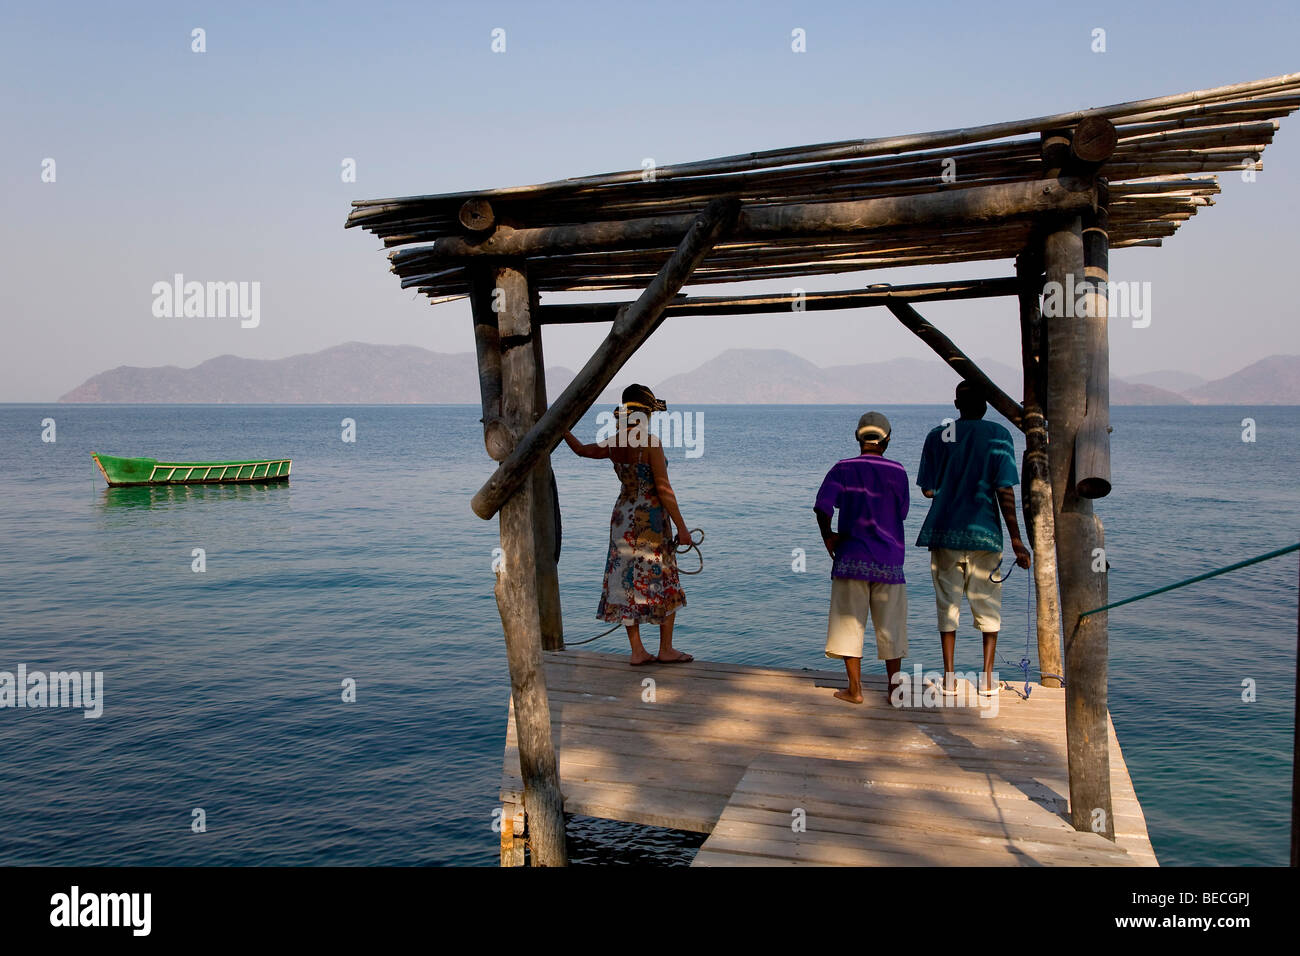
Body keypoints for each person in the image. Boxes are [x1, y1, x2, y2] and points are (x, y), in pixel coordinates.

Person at [562, 384, 693, 666]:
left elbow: (582, 451)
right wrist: (682, 527)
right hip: (651, 520)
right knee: (662, 578)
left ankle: (637, 651)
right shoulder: (649, 442)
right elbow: (663, 488)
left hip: (623, 516)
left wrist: (560, 430)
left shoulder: (615, 441)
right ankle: (666, 649)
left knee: (624, 580)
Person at [916, 381, 1030, 697]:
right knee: (988, 605)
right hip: (986, 533)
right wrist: (1017, 540)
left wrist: (949, 485)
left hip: (944, 531)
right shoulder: (999, 435)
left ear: (956, 404)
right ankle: (989, 678)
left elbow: (927, 488)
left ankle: (950, 679)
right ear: (985, 406)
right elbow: (1005, 490)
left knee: (947, 606)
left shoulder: (937, 436)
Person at [814, 411, 910, 705]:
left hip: (851, 558)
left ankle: (855, 690)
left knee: (849, 627)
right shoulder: (899, 472)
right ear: (887, 440)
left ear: (858, 438)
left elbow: (822, 507)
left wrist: (828, 536)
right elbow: (902, 512)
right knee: (891, 627)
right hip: (889, 560)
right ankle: (894, 691)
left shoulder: (842, 468)